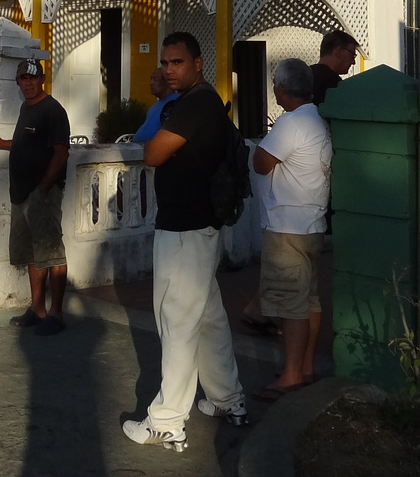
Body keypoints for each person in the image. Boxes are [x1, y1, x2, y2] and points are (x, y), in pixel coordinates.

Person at [122, 32, 246, 452]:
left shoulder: (196, 104)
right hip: (198, 226)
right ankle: (229, 399)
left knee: (176, 322)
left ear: (197, 62)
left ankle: (167, 422)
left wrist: (162, 146)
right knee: (207, 318)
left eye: (177, 62)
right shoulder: (197, 102)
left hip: (185, 231)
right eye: (165, 63)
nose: (169, 70)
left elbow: (153, 153)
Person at [251, 58, 332, 400]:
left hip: (287, 227)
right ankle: (306, 367)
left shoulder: (291, 123)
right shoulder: (316, 119)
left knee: (290, 305)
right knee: (309, 299)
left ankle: (292, 375)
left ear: (282, 89)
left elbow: (261, 162)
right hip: (312, 223)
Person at [0, 58, 70, 337]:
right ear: (18, 82)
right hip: (20, 194)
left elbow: (61, 153)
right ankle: (37, 309)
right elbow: (24, 145)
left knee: (52, 253)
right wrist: (2, 143)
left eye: (33, 78)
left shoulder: (52, 110)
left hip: (41, 194)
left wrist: (43, 188)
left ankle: (56, 313)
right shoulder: (26, 107)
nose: (28, 83)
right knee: (32, 253)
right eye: (24, 79)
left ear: (42, 79)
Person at [310, 30, 359, 105]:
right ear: (339, 51)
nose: (353, 62)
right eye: (353, 55)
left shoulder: (306, 75)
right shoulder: (333, 83)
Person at [132, 66, 178, 143]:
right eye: (151, 79)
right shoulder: (154, 106)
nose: (151, 83)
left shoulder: (174, 103)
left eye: (155, 79)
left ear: (167, 82)